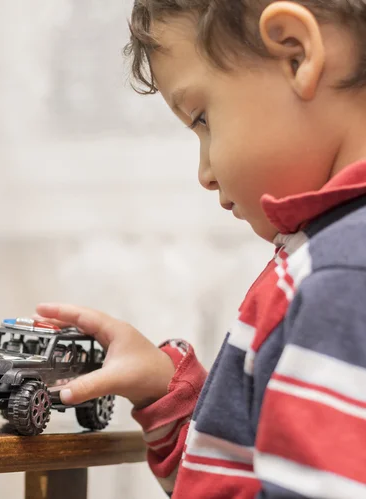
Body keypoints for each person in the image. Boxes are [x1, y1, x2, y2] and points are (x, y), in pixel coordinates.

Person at [35, 1, 366, 497]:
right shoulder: (322, 257)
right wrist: (162, 391)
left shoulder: (340, 274)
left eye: (203, 118)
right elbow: (239, 478)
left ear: (296, 54)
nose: (205, 173)